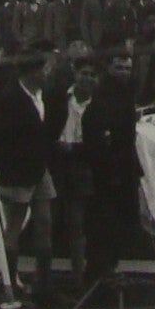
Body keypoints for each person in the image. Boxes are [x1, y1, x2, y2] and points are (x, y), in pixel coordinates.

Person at [0, 42, 65, 302]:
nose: (48, 73)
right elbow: (1, 142)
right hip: (18, 172)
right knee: (15, 226)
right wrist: (11, 174)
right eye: (44, 68)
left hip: (39, 167)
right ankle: (12, 282)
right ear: (32, 71)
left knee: (45, 222)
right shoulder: (10, 99)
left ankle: (44, 283)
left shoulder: (45, 94)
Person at [82, 49, 143, 283]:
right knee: (106, 223)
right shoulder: (103, 98)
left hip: (124, 167)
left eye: (127, 68)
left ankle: (110, 267)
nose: (124, 73)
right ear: (109, 68)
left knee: (121, 224)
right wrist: (111, 169)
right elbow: (100, 134)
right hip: (110, 171)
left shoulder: (126, 94)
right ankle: (101, 272)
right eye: (119, 68)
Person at [52, 56, 98, 285]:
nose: (87, 79)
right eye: (84, 73)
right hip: (58, 163)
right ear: (75, 74)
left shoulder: (98, 105)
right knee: (54, 217)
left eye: (92, 75)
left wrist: (75, 148)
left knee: (78, 218)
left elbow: (98, 143)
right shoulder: (61, 98)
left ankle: (80, 272)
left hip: (82, 165)